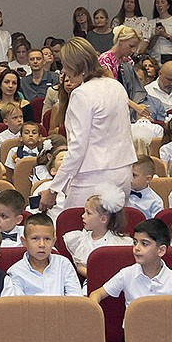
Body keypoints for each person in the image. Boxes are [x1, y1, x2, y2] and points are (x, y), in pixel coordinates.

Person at [47, 36, 133, 211]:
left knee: (74, 231)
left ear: (76, 66)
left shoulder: (81, 94)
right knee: (112, 233)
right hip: (123, 172)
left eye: (65, 65)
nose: (63, 70)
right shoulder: (116, 86)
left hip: (93, 176)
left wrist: (54, 188)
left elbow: (77, 148)